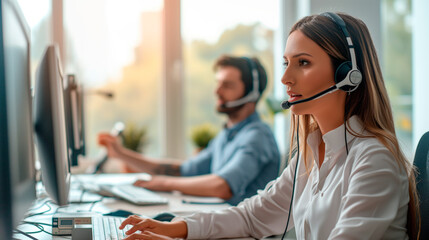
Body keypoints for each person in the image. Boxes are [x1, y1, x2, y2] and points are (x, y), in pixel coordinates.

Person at [115, 12, 420, 240]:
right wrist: (176, 229)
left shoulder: (373, 159)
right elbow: (254, 215)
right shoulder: (312, 153)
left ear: (347, 73)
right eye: (286, 63)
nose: (286, 78)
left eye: (303, 62)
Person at [98, 55, 281, 206]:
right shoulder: (228, 134)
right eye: (218, 83)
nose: (217, 91)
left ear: (252, 94)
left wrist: (161, 184)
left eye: (227, 85)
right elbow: (183, 170)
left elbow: (223, 186)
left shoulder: (257, 137)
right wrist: (121, 154)